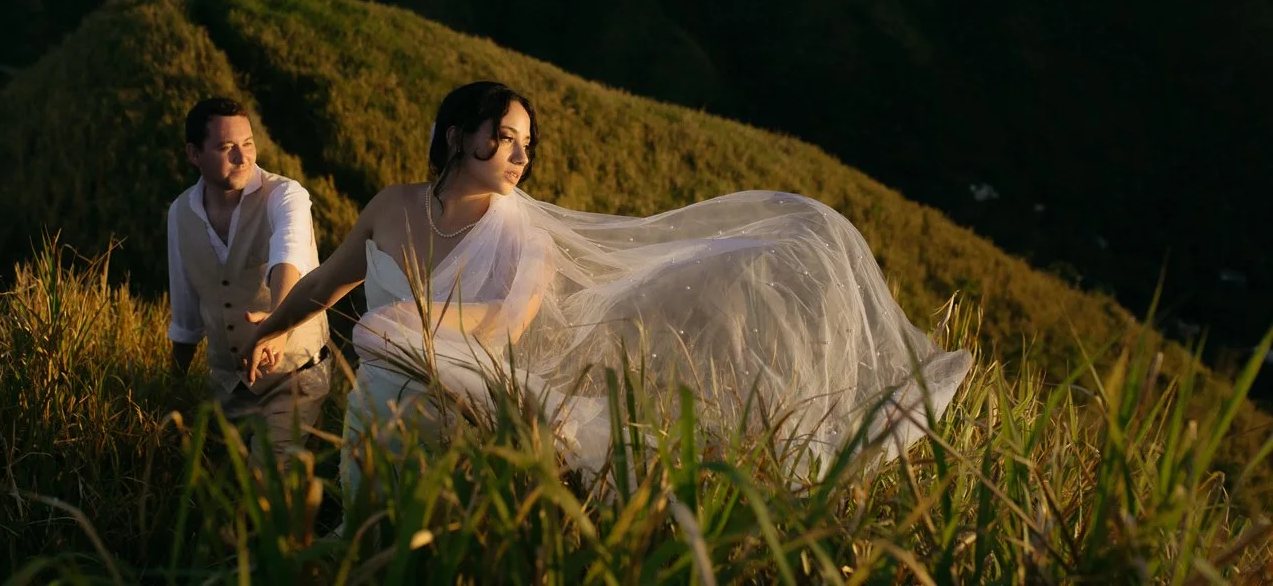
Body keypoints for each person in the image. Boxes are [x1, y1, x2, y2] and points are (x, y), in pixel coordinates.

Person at [243, 81, 972, 497]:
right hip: (374, 410)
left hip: (452, 416)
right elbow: (329, 285)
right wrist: (273, 328)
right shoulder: (391, 206)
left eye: (528, 141)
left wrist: (412, 315)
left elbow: (504, 324)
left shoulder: (526, 236)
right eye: (506, 135)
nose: (521, 153)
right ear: (461, 134)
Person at [167, 97, 332, 448]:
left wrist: (278, 323)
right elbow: (185, 314)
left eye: (248, 144)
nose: (243, 157)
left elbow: (289, 254)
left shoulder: (285, 195)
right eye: (227, 148)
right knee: (211, 488)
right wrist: (174, 387)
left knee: (267, 486)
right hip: (226, 387)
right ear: (194, 154)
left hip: (294, 380)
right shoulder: (180, 213)